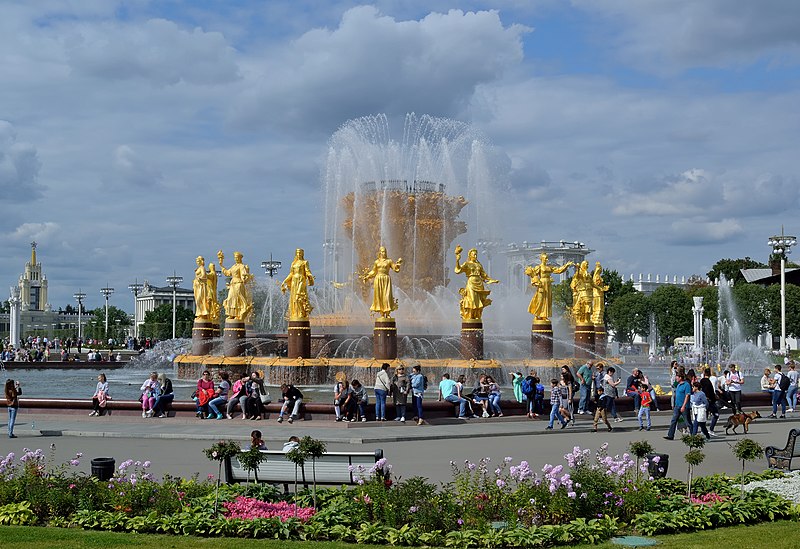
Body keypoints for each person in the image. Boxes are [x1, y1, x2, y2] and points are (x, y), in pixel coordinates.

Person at [454, 247, 499, 320]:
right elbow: (458, 270)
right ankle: (470, 316)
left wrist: (493, 280)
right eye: (474, 255)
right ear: (470, 255)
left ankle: (477, 315)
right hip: (471, 283)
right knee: (472, 300)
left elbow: (484, 275)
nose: (475, 256)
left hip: (479, 283)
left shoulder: (479, 265)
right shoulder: (467, 264)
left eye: (476, 255)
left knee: (479, 300)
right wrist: (457, 261)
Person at [361, 246, 402, 317]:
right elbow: (374, 271)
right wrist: (367, 277)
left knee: (387, 296)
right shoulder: (376, 262)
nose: (383, 253)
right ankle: (382, 313)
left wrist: (398, 264)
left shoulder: (389, 261)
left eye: (385, 251)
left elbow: (395, 268)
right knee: (379, 296)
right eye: (382, 251)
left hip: (386, 279)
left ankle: (388, 312)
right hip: (378, 279)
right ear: (379, 252)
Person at [281, 248, 315, 320]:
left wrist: (310, 276)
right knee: (294, 298)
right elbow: (291, 274)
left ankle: (302, 312)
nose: (299, 254)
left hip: (301, 280)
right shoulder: (293, 263)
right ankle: (295, 314)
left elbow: (307, 271)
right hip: (294, 281)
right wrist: (284, 281)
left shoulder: (305, 262)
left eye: (300, 253)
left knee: (299, 297)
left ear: (303, 254)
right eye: (297, 253)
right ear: (296, 254)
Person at [665, 372, 692, 440]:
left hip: (684, 406)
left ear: (680, 378)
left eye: (677, 377)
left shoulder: (686, 385)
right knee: (673, 420)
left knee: (688, 422)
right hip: (677, 406)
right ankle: (670, 435)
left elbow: (687, 396)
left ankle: (693, 435)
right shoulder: (678, 385)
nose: (675, 378)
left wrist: (683, 406)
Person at [699, 368, 719, 435]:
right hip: (710, 401)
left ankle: (703, 430)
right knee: (716, 414)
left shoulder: (702, 381)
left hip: (704, 401)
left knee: (705, 416)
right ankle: (711, 430)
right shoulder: (708, 381)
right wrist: (714, 397)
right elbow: (710, 392)